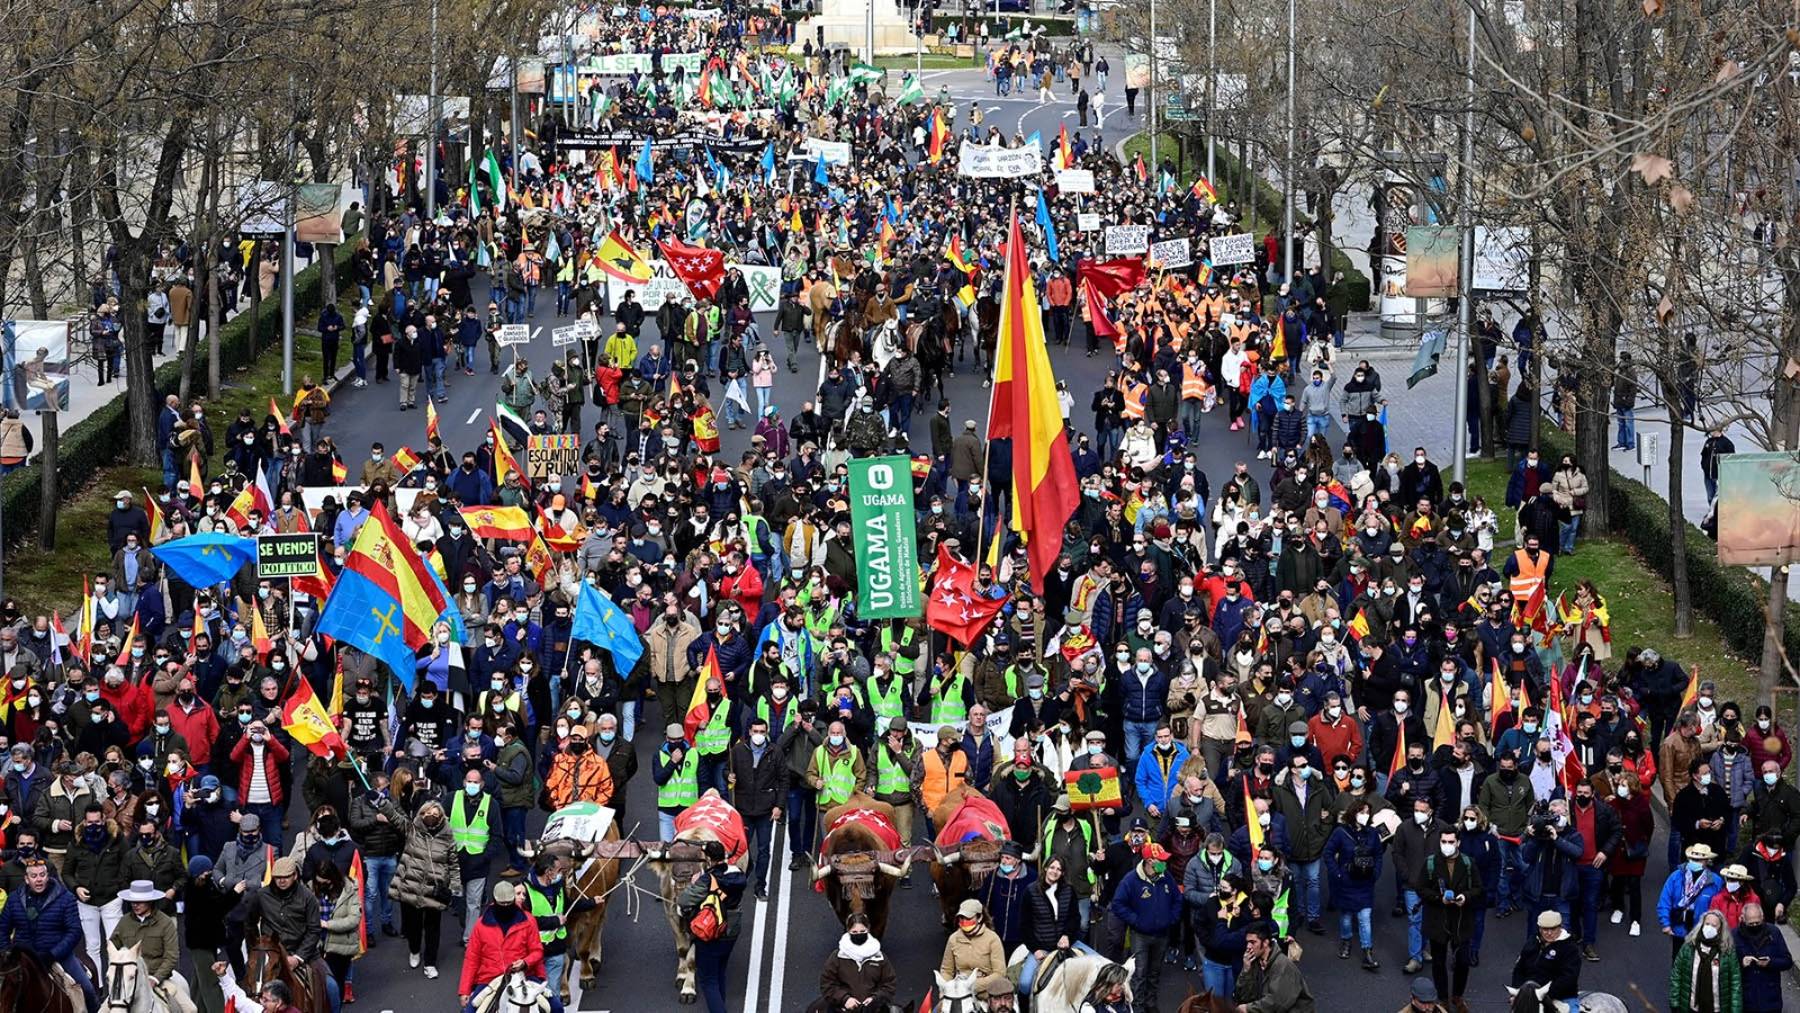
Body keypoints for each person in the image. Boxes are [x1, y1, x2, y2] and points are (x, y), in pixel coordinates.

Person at [0, 858, 99, 1012]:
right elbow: (2, 929)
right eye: (33, 876)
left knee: (88, 990)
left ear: (47, 876)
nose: (38, 880)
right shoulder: (13, 899)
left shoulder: (66, 898)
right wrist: (7, 954)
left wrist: (52, 954)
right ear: (26, 879)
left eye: (42, 875)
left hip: (58, 955)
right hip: (21, 958)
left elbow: (74, 931)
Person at [458, 880, 551, 1013]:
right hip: (489, 979)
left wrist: (525, 962)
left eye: (509, 903)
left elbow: (537, 950)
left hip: (524, 977)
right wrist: (464, 991)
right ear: (495, 901)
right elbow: (472, 958)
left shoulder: (529, 921)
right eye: (502, 904)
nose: (506, 906)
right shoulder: (480, 925)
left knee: (556, 1007)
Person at [1109, 842, 1181, 1012]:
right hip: (1140, 935)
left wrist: (1171, 918)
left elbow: (1178, 899)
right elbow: (1118, 904)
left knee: (1155, 973)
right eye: (1160, 860)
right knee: (1139, 974)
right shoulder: (1131, 880)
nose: (1164, 863)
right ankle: (1137, 1007)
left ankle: (1151, 1004)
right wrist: (1135, 920)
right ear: (1149, 861)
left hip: (1162, 934)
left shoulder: (1166, 877)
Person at [676, 839, 746, 1013]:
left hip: (712, 930)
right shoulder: (737, 873)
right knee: (720, 972)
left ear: (708, 859)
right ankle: (721, 1006)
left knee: (708, 981)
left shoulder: (707, 879)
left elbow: (684, 900)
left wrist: (695, 883)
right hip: (733, 928)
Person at [1418, 825, 1482, 1010]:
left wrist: (1466, 897)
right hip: (1438, 918)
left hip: (1461, 919)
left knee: (1462, 961)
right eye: (1443, 842)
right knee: (1438, 962)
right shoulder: (1431, 862)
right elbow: (1421, 888)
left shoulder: (1468, 863)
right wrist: (1439, 899)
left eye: (1450, 842)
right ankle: (1443, 997)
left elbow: (1478, 887)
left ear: (1458, 843)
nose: (1447, 845)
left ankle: (1457, 996)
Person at [391, 799, 455, 979]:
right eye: (428, 813)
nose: (431, 817)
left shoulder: (447, 837)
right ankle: (414, 950)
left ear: (442, 818)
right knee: (414, 924)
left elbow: (453, 863)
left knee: (433, 927)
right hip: (413, 886)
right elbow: (394, 817)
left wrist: (455, 887)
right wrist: (381, 802)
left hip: (435, 890)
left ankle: (430, 963)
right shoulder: (412, 830)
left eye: (435, 814)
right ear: (420, 815)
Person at [812, 911, 896, 1013]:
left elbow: (889, 984)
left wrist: (875, 999)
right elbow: (827, 983)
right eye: (854, 932)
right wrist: (844, 999)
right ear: (848, 931)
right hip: (841, 1009)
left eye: (862, 931)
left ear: (868, 930)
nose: (858, 935)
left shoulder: (879, 957)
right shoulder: (837, 957)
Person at [938, 899, 1012, 1006]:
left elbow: (999, 973)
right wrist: (945, 988)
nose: (964, 921)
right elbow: (946, 970)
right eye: (961, 918)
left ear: (980, 917)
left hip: (987, 994)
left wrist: (973, 986)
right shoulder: (953, 939)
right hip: (959, 994)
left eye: (968, 918)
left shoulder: (992, 939)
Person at [1231, 920, 1315, 1013]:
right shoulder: (1255, 961)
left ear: (1265, 942)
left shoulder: (1282, 965)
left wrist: (1248, 1009)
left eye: (1253, 942)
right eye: (1247, 942)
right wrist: (1246, 970)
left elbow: (1277, 1004)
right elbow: (1243, 997)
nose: (1248, 946)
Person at [1661, 843, 1725, 958]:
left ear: (1707, 861)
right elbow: (1665, 900)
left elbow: (1719, 907)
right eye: (1694, 859)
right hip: (1679, 929)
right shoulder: (1676, 876)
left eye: (1700, 860)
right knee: (1677, 963)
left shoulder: (1716, 881)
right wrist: (1665, 923)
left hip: (1703, 932)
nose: (1696, 862)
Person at [1668, 910, 1739, 1013]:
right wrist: (1674, 1002)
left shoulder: (1727, 952)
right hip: (1692, 1008)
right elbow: (1676, 975)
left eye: (1714, 925)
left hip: (1717, 1009)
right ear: (1701, 925)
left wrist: (1736, 1009)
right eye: (1707, 924)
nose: (1709, 927)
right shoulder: (1688, 947)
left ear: (1720, 929)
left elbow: (1735, 983)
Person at [1510, 910, 1580, 1013]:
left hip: (1561, 996)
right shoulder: (1532, 942)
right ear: (1539, 928)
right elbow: (1519, 969)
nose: (1549, 933)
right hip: (1529, 995)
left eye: (1553, 929)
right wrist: (1519, 992)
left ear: (1560, 927)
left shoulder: (1570, 948)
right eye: (1545, 929)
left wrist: (1544, 995)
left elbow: (1569, 978)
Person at [1734, 902, 1792, 1013]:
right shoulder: (1735, 935)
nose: (1755, 926)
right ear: (1743, 919)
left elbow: (1787, 961)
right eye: (1751, 924)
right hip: (1746, 998)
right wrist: (1741, 963)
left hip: (1770, 998)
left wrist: (1770, 963)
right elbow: (1727, 968)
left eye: (1757, 922)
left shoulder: (1773, 932)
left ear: (1763, 918)